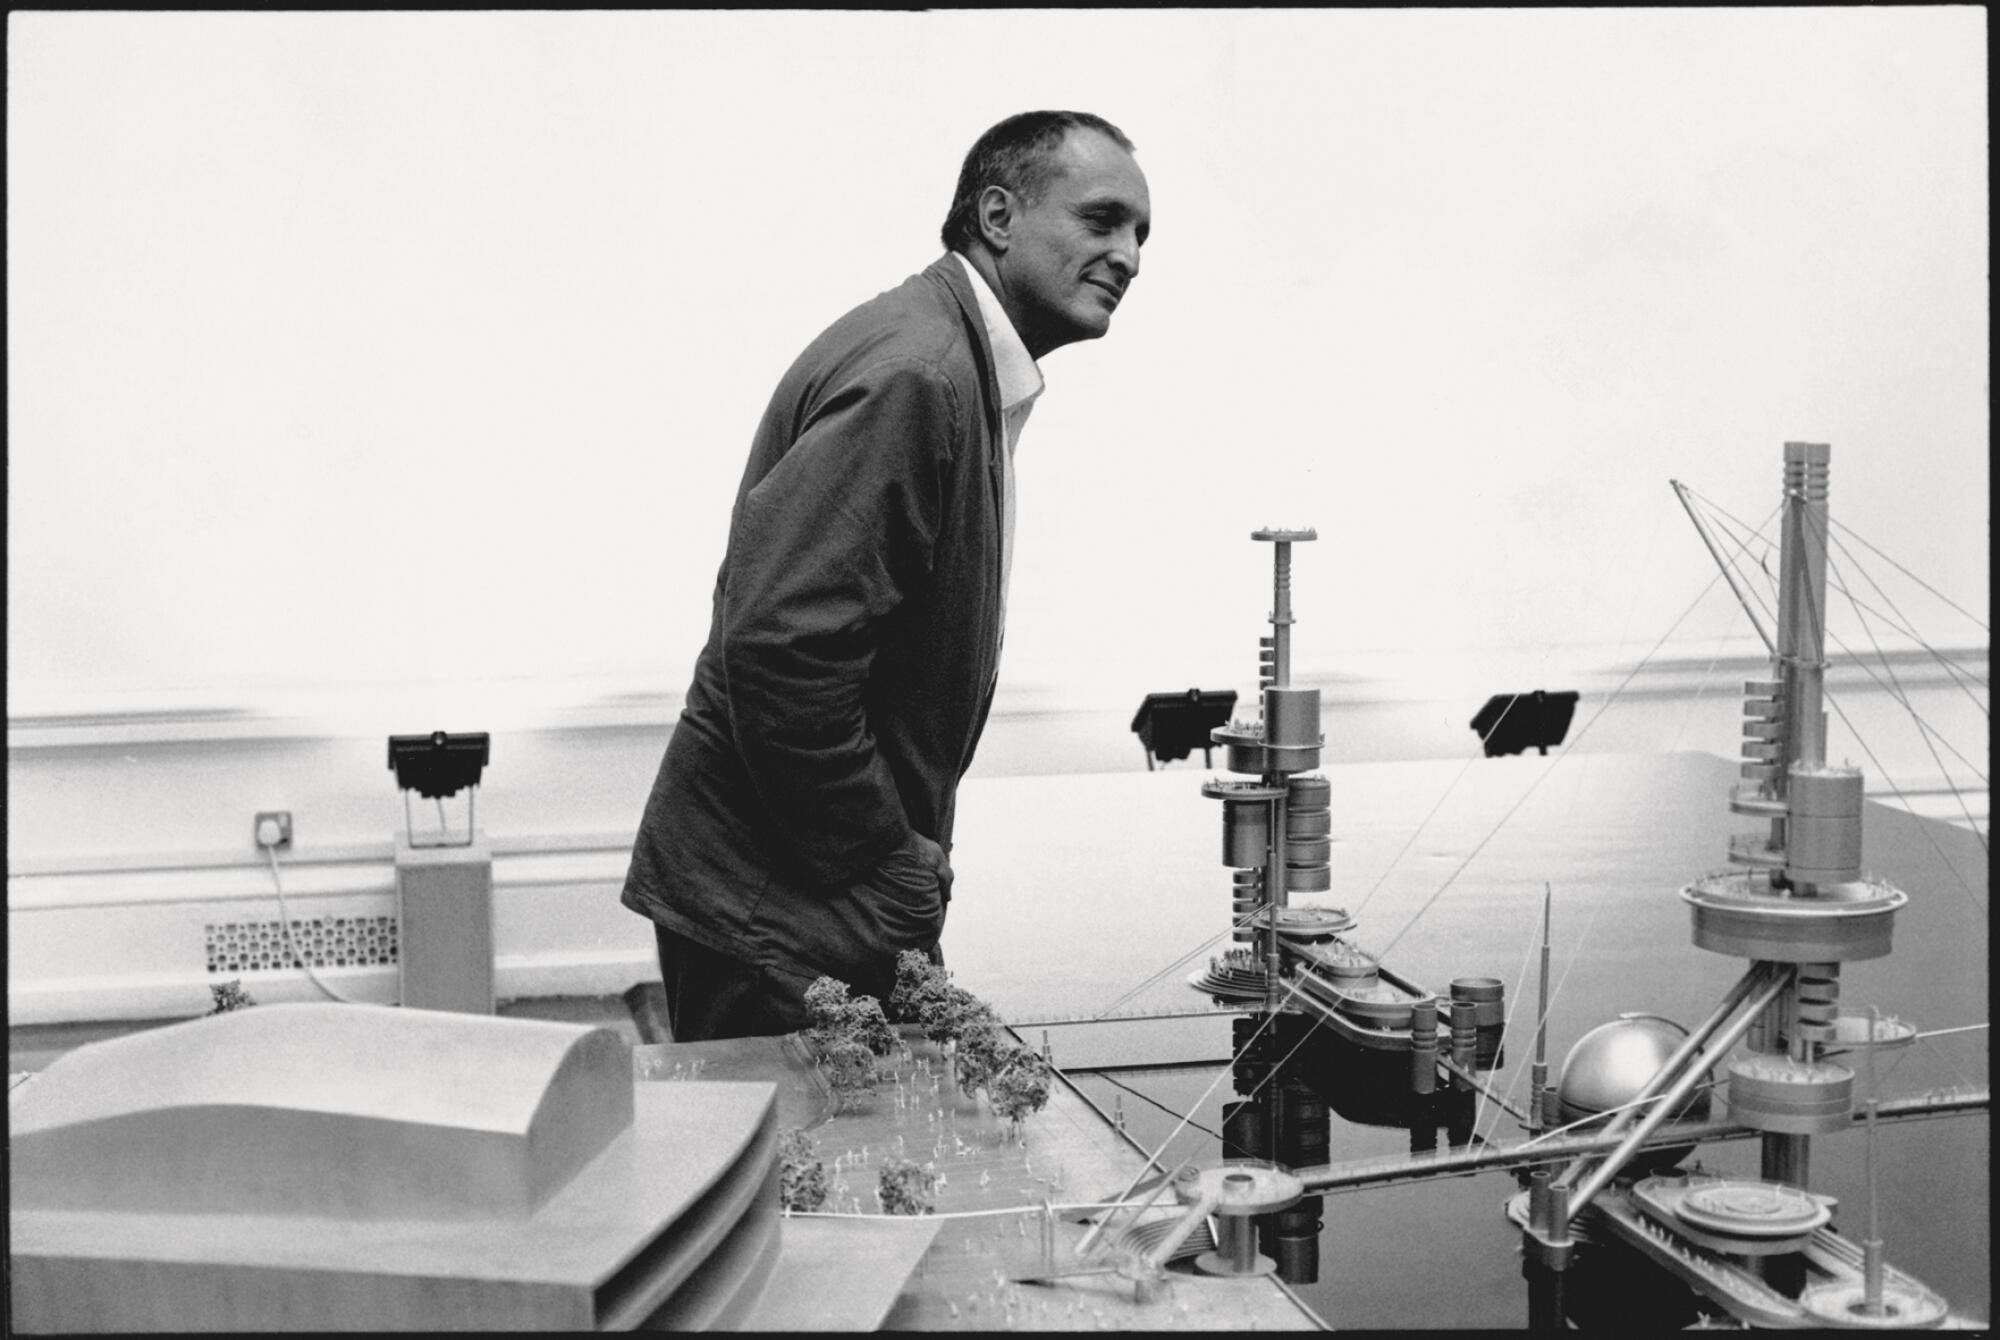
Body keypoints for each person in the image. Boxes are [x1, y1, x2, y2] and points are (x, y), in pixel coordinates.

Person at [620, 110, 1151, 1041]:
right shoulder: (922, 373)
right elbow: (781, 650)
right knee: (809, 1185)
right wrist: (886, 856)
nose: (1131, 256)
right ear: (997, 216)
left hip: (807, 894)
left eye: (1140, 234)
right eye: (1103, 220)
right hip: (782, 909)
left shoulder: (949, 360)